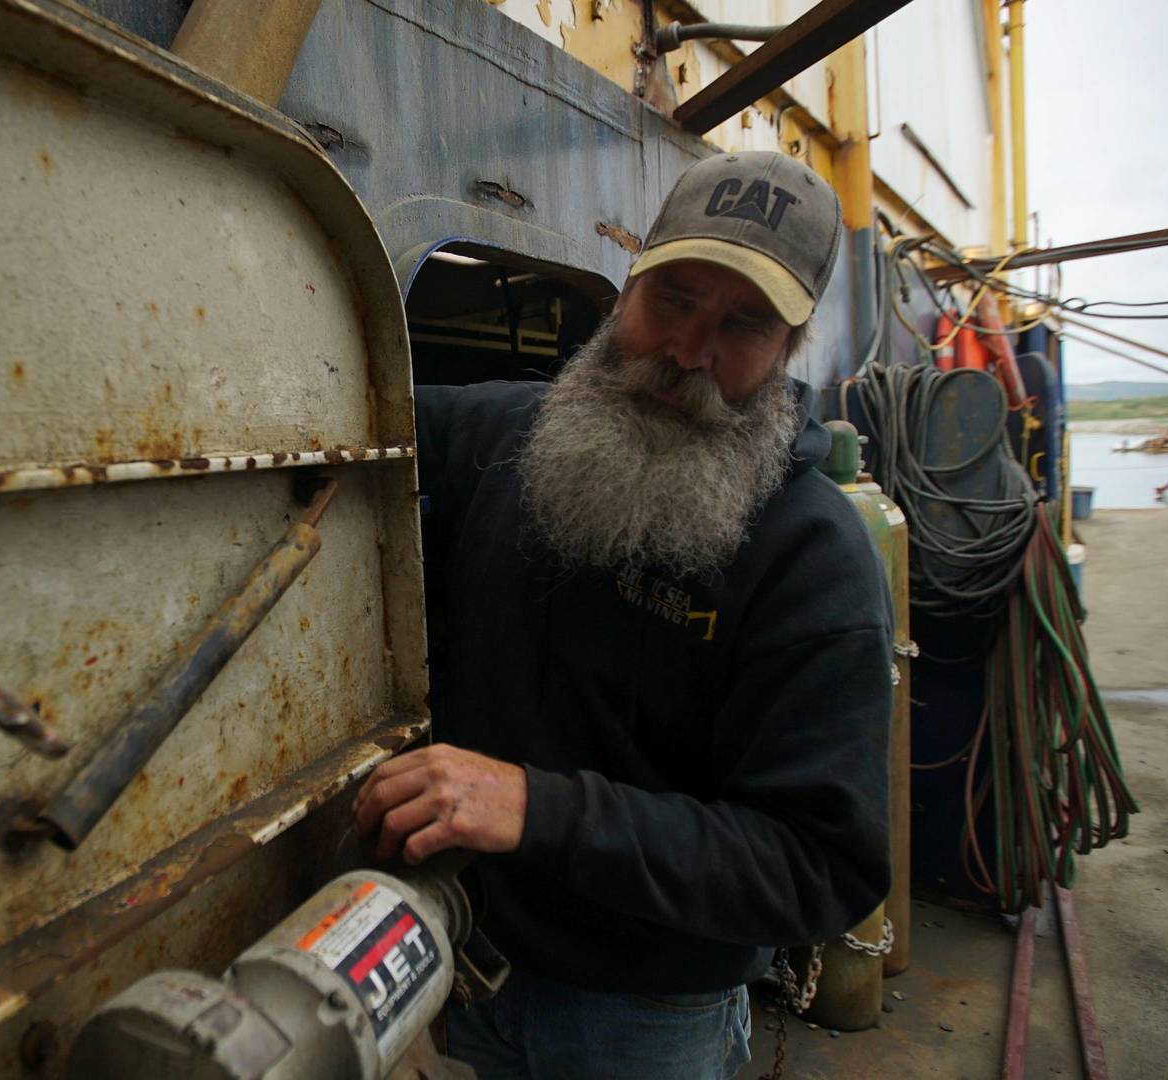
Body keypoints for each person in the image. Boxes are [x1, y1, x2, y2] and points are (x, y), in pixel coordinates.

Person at [353, 151, 892, 1078]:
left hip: (646, 1022)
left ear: (790, 349)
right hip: (455, 964)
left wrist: (535, 807)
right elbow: (319, 420)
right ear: (626, 284)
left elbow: (817, 865)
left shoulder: (813, 559)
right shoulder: (491, 436)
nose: (688, 350)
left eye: (743, 325)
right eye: (672, 299)